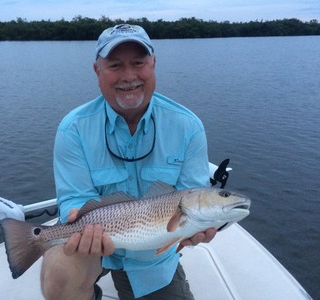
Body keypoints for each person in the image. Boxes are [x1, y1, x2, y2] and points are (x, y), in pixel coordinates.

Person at [41, 24, 217, 300]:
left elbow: (193, 195)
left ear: (153, 63)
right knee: (58, 274)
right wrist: (77, 216)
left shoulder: (187, 126)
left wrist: (193, 231)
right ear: (97, 70)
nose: (129, 76)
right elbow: (75, 198)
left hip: (153, 257)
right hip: (92, 247)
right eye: (115, 65)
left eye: (138, 63)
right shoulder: (73, 129)